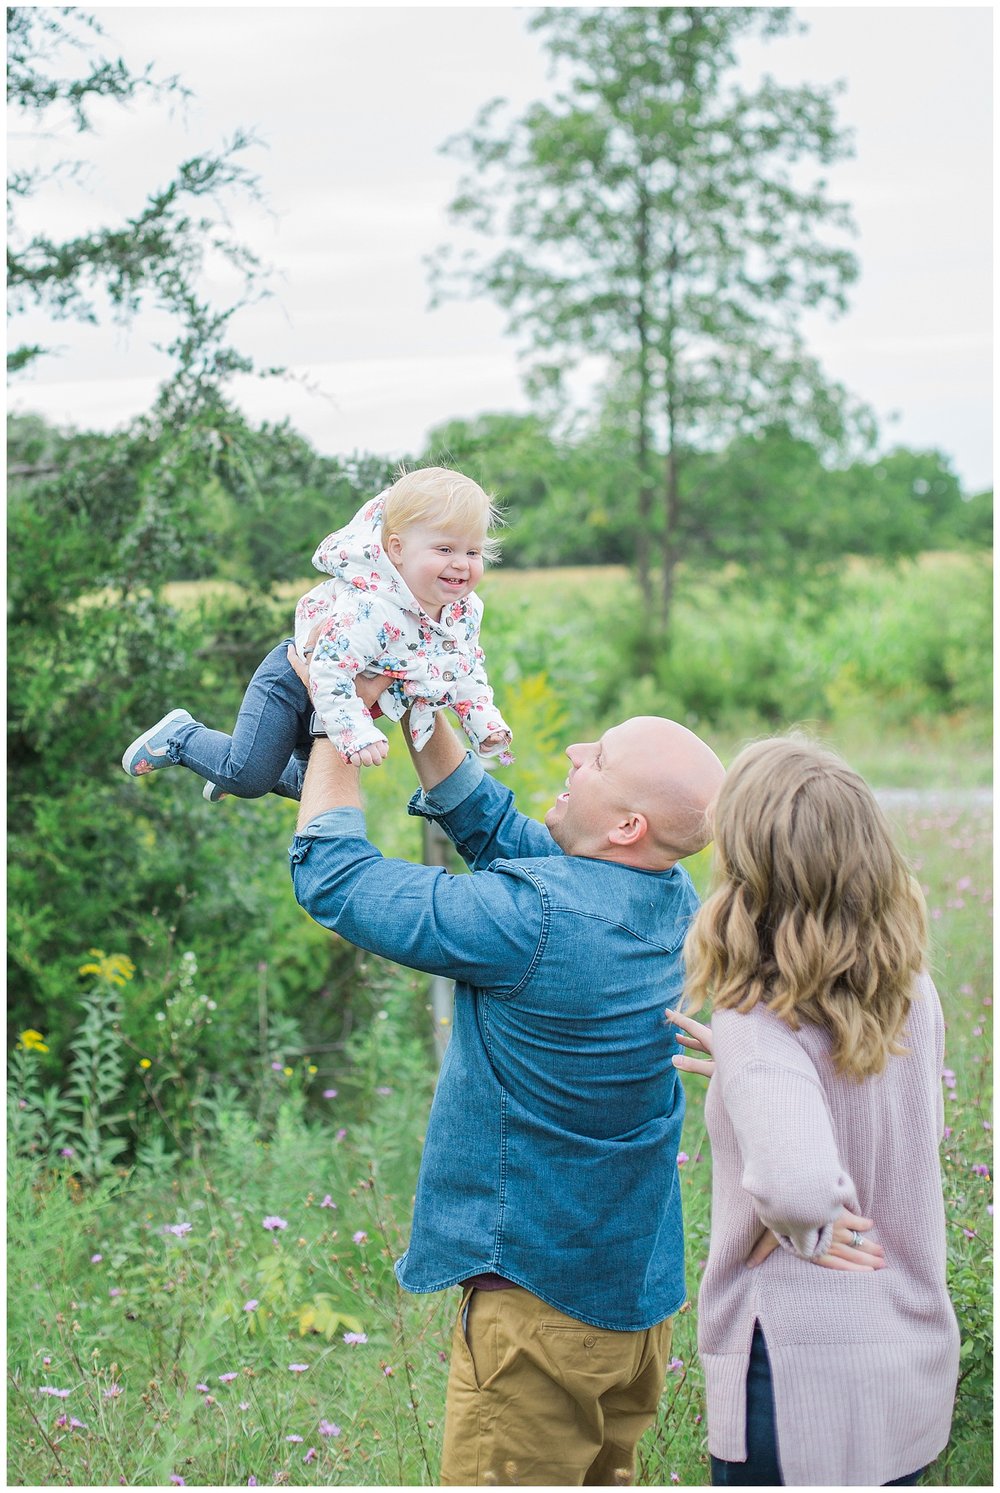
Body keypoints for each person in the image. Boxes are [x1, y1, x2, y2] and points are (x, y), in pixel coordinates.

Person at [287, 690, 725, 1487]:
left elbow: (336, 879)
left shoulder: (534, 921)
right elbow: (496, 831)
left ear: (628, 827)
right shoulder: (668, 897)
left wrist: (338, 718)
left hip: (538, 1322)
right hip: (631, 1310)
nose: (576, 751)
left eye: (602, 756)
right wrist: (419, 699)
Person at [669, 736, 960, 1487]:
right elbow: (901, 1129)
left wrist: (804, 1225)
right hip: (903, 1352)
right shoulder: (909, 987)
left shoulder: (755, 1018)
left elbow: (797, 1182)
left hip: (794, 1374)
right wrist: (746, 1078)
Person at [120, 467, 512, 801]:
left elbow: (462, 667)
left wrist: (483, 721)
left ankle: (238, 765)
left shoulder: (463, 610)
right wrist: (356, 730)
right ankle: (183, 738)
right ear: (397, 549)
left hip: (342, 698)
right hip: (296, 681)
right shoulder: (371, 607)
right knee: (250, 779)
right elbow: (328, 672)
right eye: (445, 549)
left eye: (472, 552)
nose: (461, 564)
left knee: (315, 791)